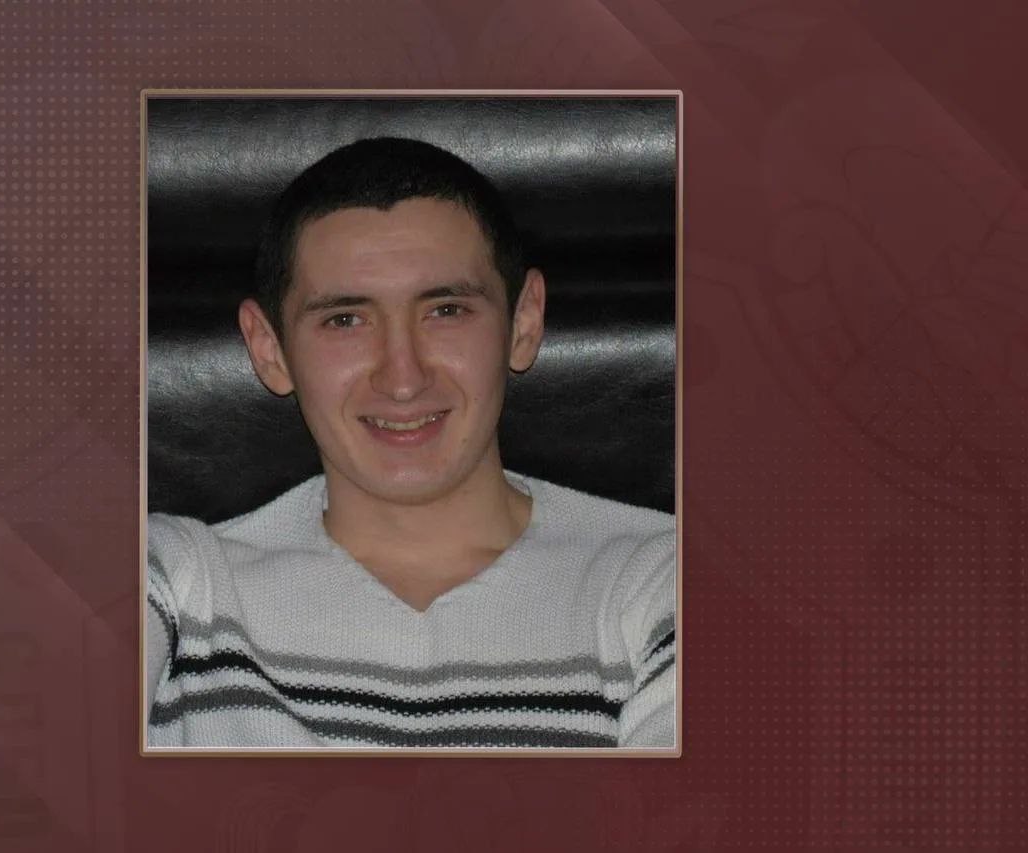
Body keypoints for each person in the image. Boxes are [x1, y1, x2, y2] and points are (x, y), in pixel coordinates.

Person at [146, 137, 676, 748]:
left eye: (446, 310)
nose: (403, 378)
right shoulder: (177, 582)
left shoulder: (667, 583)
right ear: (269, 349)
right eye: (345, 320)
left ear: (524, 323)